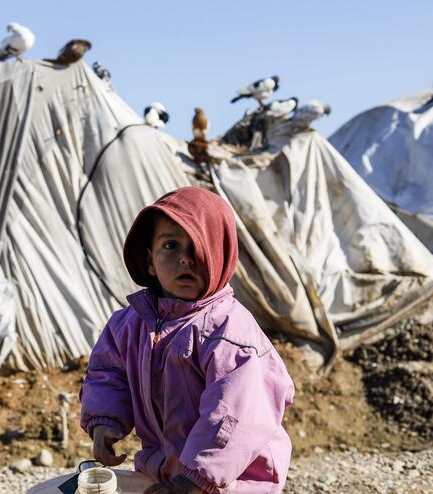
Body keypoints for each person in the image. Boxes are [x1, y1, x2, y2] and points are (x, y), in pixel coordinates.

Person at [80, 186, 295, 494]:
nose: (185, 259)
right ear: (150, 260)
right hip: (167, 474)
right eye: (170, 245)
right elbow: (109, 374)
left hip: (229, 482)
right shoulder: (128, 325)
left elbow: (232, 418)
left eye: (198, 247)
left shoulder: (230, 335)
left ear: (220, 256)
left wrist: (193, 481)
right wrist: (104, 421)